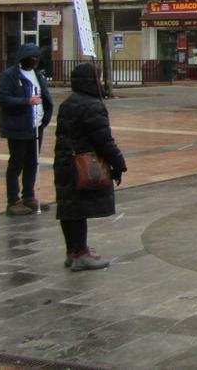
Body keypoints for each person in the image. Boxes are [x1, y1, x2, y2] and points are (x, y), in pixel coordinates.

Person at [54, 63, 127, 271]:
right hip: (82, 164)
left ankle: (72, 250)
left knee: (69, 207)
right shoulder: (92, 105)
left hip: (65, 161)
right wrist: (118, 163)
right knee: (78, 208)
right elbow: (103, 139)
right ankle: (80, 254)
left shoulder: (68, 103)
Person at [0, 43, 54, 216]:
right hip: (18, 126)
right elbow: (3, 98)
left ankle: (29, 196)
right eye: (32, 57)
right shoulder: (10, 75)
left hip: (36, 126)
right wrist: (26, 101)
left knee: (32, 162)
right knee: (16, 163)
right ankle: (13, 200)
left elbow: (45, 97)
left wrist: (44, 118)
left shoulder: (37, 75)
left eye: (37, 57)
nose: (35, 60)